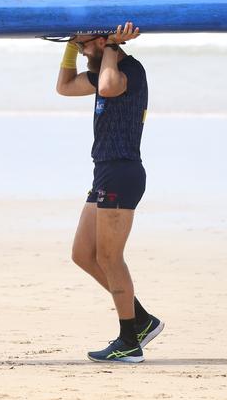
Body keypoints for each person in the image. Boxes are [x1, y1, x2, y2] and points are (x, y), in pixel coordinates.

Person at [55, 22, 164, 363]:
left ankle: (130, 341)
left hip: (122, 171)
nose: (84, 52)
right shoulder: (102, 67)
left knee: (109, 258)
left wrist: (113, 47)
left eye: (86, 46)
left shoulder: (126, 70)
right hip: (105, 171)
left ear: (103, 42)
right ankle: (143, 320)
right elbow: (64, 87)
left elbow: (107, 85)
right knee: (83, 253)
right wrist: (73, 45)